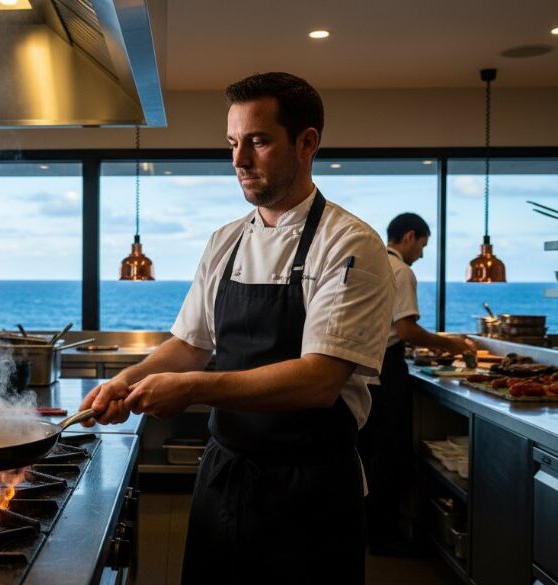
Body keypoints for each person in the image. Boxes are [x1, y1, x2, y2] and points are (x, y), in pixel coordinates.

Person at [79, 72, 396, 584]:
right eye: (232, 143)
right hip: (225, 481)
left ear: (307, 142)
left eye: (259, 141)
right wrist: (128, 380)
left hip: (310, 492)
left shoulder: (349, 243)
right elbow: (188, 345)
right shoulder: (225, 241)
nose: (239, 161)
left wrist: (193, 388)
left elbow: (319, 381)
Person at [358, 212, 474, 556]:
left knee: (370, 455)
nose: (422, 254)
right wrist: (454, 345)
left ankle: (369, 530)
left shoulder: (372, 262)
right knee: (390, 455)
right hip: (387, 370)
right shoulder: (401, 271)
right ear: (409, 236)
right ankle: (385, 536)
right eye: (423, 244)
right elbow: (406, 330)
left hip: (367, 373)